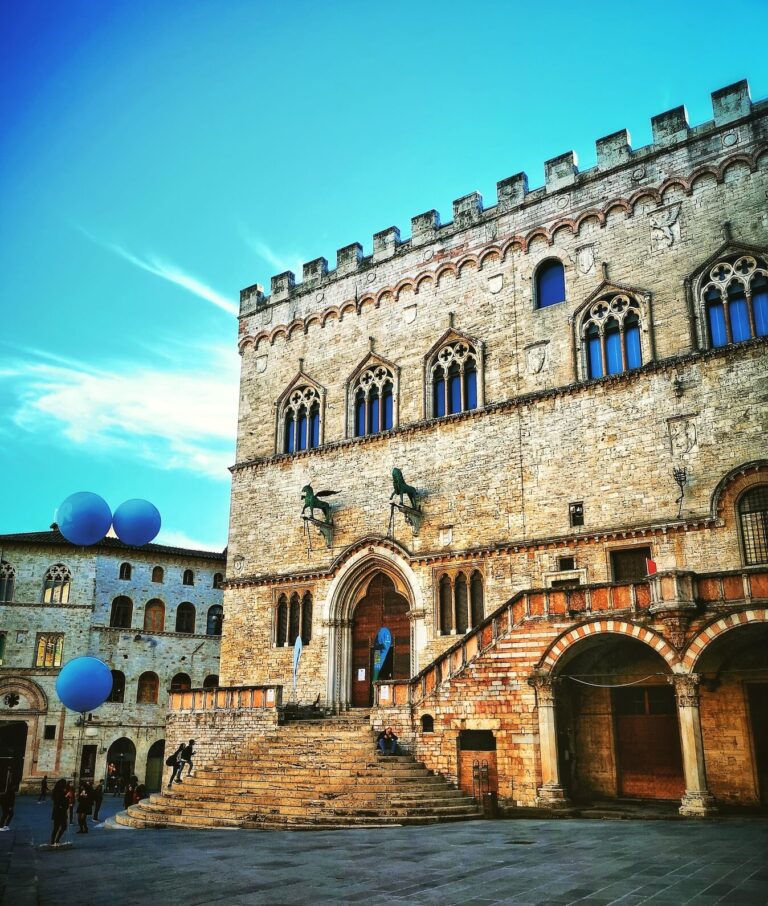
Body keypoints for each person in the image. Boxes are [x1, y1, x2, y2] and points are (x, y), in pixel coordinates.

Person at [50, 779, 68, 846]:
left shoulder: (56, 791)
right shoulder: (60, 792)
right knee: (63, 826)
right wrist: (66, 796)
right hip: (60, 811)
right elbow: (61, 801)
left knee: (56, 827)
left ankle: (53, 841)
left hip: (57, 811)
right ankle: (56, 840)